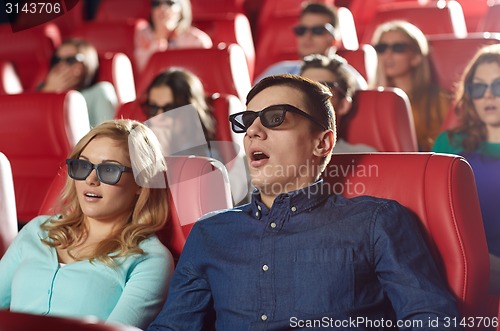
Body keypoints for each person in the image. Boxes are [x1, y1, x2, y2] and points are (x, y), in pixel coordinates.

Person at [147, 74, 460, 330]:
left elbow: (432, 320)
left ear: (322, 143)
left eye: (274, 118)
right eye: (247, 121)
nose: (253, 132)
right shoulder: (210, 233)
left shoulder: (376, 221)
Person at [0, 119, 174, 330]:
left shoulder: (149, 260)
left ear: (141, 182)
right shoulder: (38, 230)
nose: (91, 179)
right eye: (83, 166)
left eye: (109, 170)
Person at [432, 44, 500, 293]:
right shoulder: (449, 143)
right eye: (479, 87)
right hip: (462, 260)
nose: (489, 96)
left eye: (498, 85)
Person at [142, 67, 250, 204]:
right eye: (153, 108)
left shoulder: (209, 157)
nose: (159, 116)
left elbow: (204, 205)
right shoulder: (142, 147)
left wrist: (167, 157)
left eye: (170, 109)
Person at [371, 20, 450, 151]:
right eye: (381, 48)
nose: (387, 55)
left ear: (416, 57)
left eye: (398, 48)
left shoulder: (439, 99)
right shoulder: (366, 99)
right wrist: (381, 90)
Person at [254, 2, 367, 89]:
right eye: (301, 30)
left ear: (334, 39)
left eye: (317, 30)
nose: (307, 37)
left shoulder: (350, 79)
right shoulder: (276, 73)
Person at [300, 53, 377, 152]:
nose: (311, 94)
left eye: (324, 88)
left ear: (343, 105)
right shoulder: (275, 151)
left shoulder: (364, 156)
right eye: (304, 86)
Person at [38, 38, 118, 128]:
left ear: (86, 64)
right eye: (56, 60)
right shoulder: (41, 90)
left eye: (70, 60)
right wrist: (49, 92)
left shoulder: (99, 92)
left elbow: (108, 135)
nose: (61, 65)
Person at [134, 0, 213, 72]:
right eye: (156, 3)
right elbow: (143, 69)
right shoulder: (144, 34)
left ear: (181, 9)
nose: (162, 8)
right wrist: (159, 37)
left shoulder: (197, 40)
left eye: (170, 3)